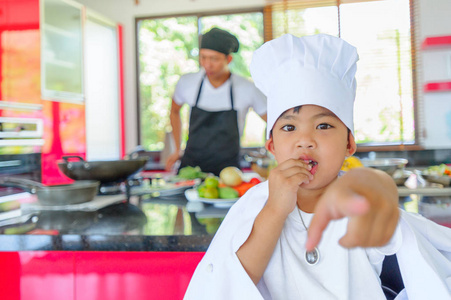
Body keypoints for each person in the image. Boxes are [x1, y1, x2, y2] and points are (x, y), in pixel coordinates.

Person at [184, 34, 451, 299]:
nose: (305, 140)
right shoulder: (255, 203)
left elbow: (420, 270)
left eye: (323, 126)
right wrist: (275, 209)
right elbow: (230, 283)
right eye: (289, 127)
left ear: (349, 144)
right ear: (272, 147)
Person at [165, 27, 267, 176]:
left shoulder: (247, 88)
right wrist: (176, 149)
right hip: (191, 169)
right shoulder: (187, 82)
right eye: (203, 57)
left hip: (229, 172)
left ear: (229, 59)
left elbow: (274, 120)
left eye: (214, 59)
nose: (207, 64)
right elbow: (174, 111)